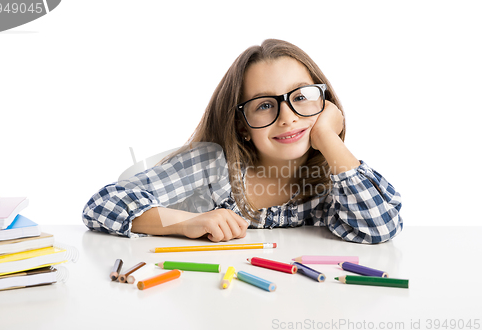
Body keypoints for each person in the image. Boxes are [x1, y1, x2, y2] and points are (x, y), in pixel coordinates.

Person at [82, 39, 403, 244]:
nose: (288, 117)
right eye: (265, 104)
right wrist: (187, 221)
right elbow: (102, 205)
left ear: (326, 103)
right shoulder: (212, 166)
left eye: (302, 97)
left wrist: (328, 137)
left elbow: (379, 227)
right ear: (243, 125)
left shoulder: (335, 178)